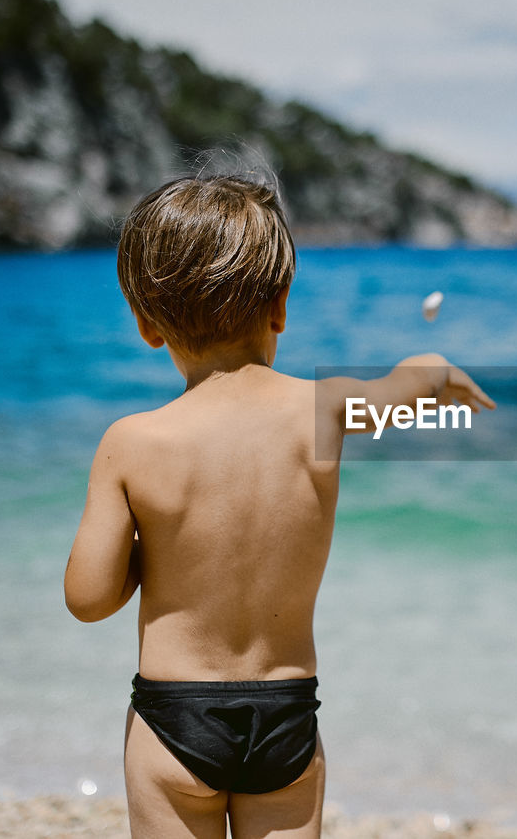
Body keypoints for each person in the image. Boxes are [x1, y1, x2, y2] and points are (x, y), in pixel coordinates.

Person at [64, 173, 494, 838]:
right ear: (280, 307)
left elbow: (88, 598)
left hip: (176, 717)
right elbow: (399, 390)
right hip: (287, 715)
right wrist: (432, 371)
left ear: (147, 323)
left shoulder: (132, 443)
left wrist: (157, 545)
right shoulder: (322, 411)